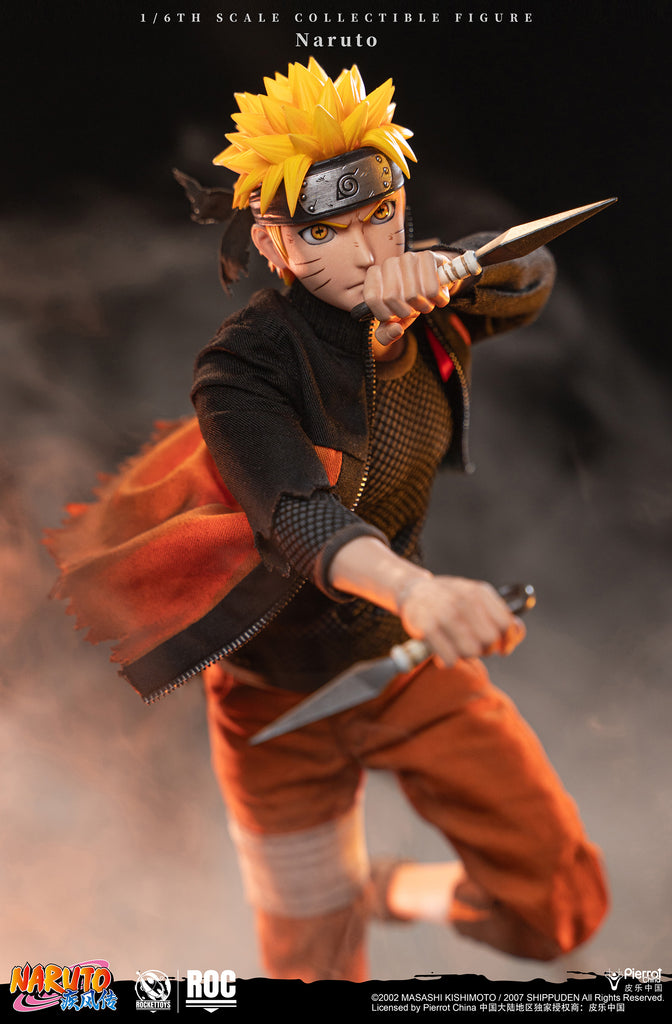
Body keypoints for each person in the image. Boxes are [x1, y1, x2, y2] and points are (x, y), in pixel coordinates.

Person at [47, 58, 608, 982]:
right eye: (324, 231)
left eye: (381, 216)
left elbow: (532, 270)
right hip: (278, 710)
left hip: (405, 667)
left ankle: (392, 891)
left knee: (558, 906)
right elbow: (297, 518)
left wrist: (456, 273)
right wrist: (418, 593)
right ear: (274, 244)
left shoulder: (436, 304)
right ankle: (347, 903)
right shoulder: (245, 369)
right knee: (311, 968)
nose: (365, 251)